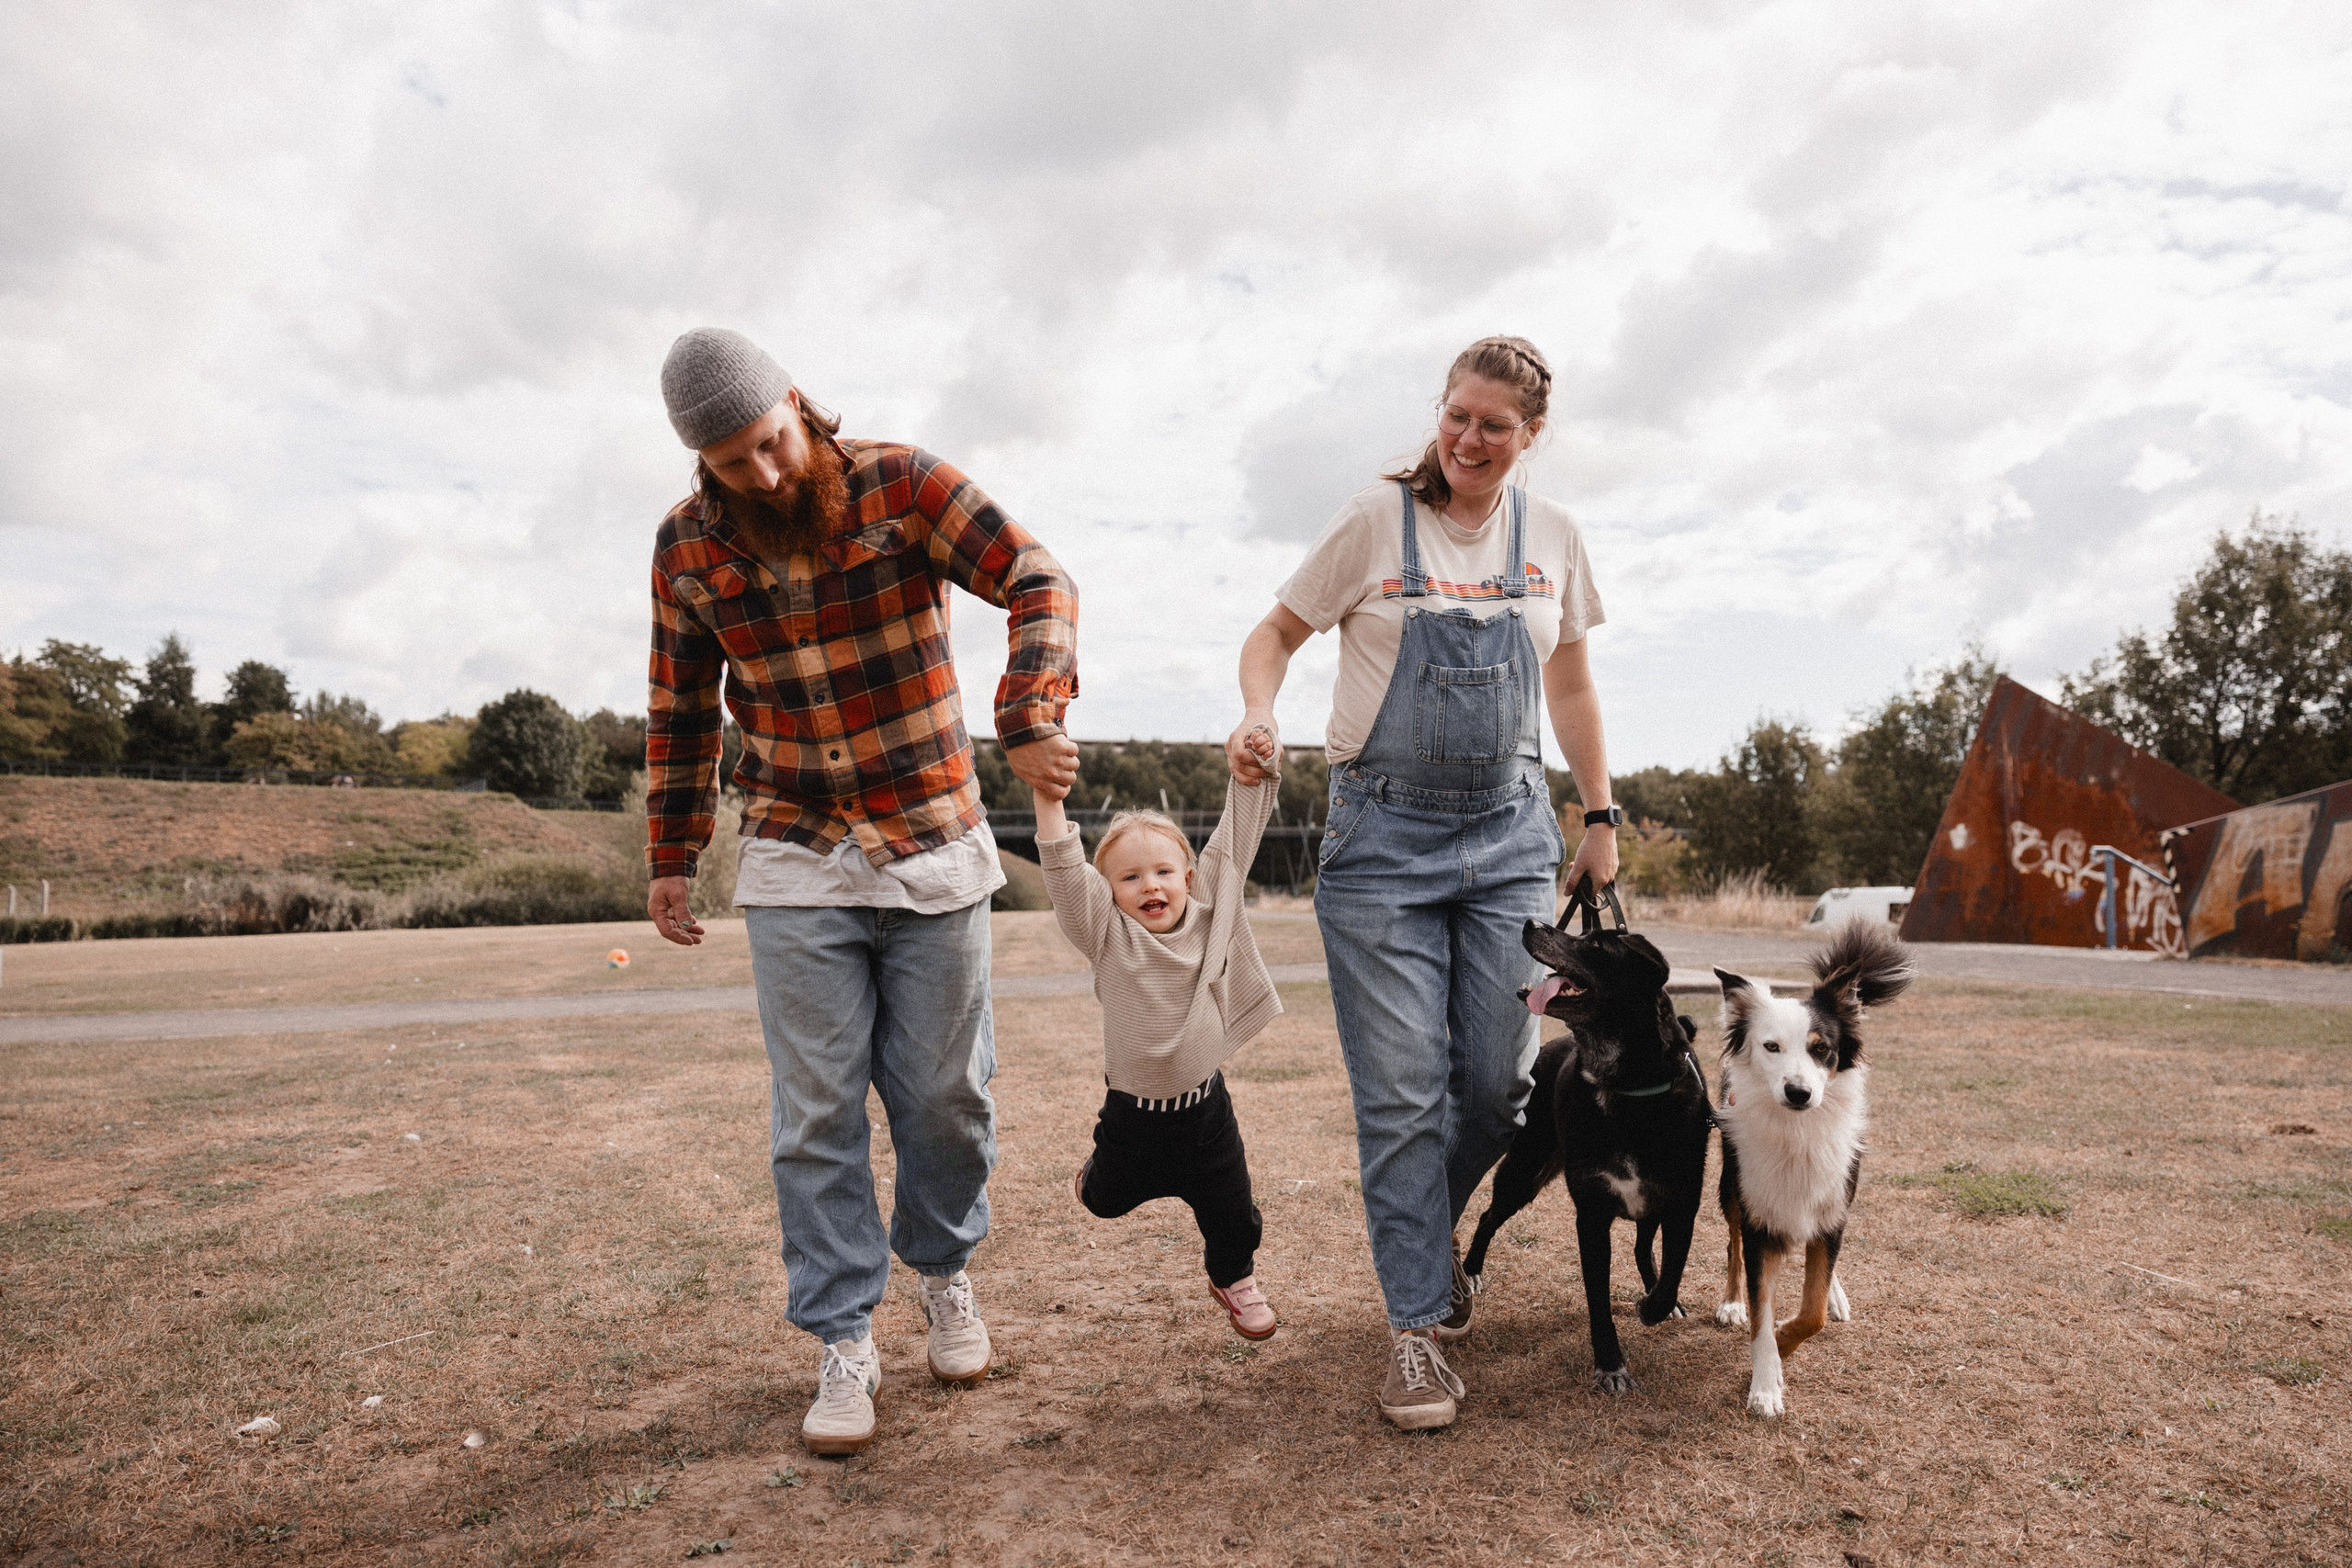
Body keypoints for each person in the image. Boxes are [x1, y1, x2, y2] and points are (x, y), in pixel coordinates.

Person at [643, 328, 1080, 1456]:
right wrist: (671, 849)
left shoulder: (902, 484)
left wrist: (1028, 710)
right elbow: (681, 709)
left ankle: (941, 1271)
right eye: (736, 462)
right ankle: (842, 1335)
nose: (768, 474)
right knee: (818, 1110)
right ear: (702, 461)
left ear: (798, 404)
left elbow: (1039, 577)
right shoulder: (686, 551)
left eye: (773, 444)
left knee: (944, 1096)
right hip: (793, 846)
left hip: (932, 835)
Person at [1226, 335, 1619, 1430]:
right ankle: (1414, 1328)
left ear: (1530, 436)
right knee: (1400, 1094)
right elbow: (1275, 635)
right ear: (1438, 412)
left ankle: (1418, 1229)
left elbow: (1572, 683)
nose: (1468, 439)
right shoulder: (1370, 521)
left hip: (1509, 839)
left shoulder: (1555, 539)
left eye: (1495, 425)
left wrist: (1600, 815)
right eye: (1456, 415)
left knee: (1500, 1090)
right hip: (1380, 844)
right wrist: (1259, 712)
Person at [1035, 727, 1284, 1339]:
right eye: (1130, 878)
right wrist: (1047, 792)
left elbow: (1238, 832)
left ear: (1190, 877)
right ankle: (1097, 1176)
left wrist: (1253, 764)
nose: (1150, 885)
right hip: (1133, 1122)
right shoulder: (1107, 934)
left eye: (1164, 871)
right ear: (1109, 894)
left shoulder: (1211, 914)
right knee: (1105, 1200)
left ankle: (1235, 1278)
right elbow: (1067, 873)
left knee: (1232, 1210)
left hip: (1206, 1115)